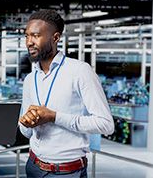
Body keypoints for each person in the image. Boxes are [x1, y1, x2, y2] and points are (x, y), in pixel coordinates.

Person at [19, 10, 115, 178]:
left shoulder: (80, 71)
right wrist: (26, 123)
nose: (29, 42)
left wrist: (54, 117)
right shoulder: (30, 78)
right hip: (33, 166)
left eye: (35, 36)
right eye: (27, 36)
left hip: (66, 172)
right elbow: (25, 132)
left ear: (55, 38)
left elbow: (106, 124)